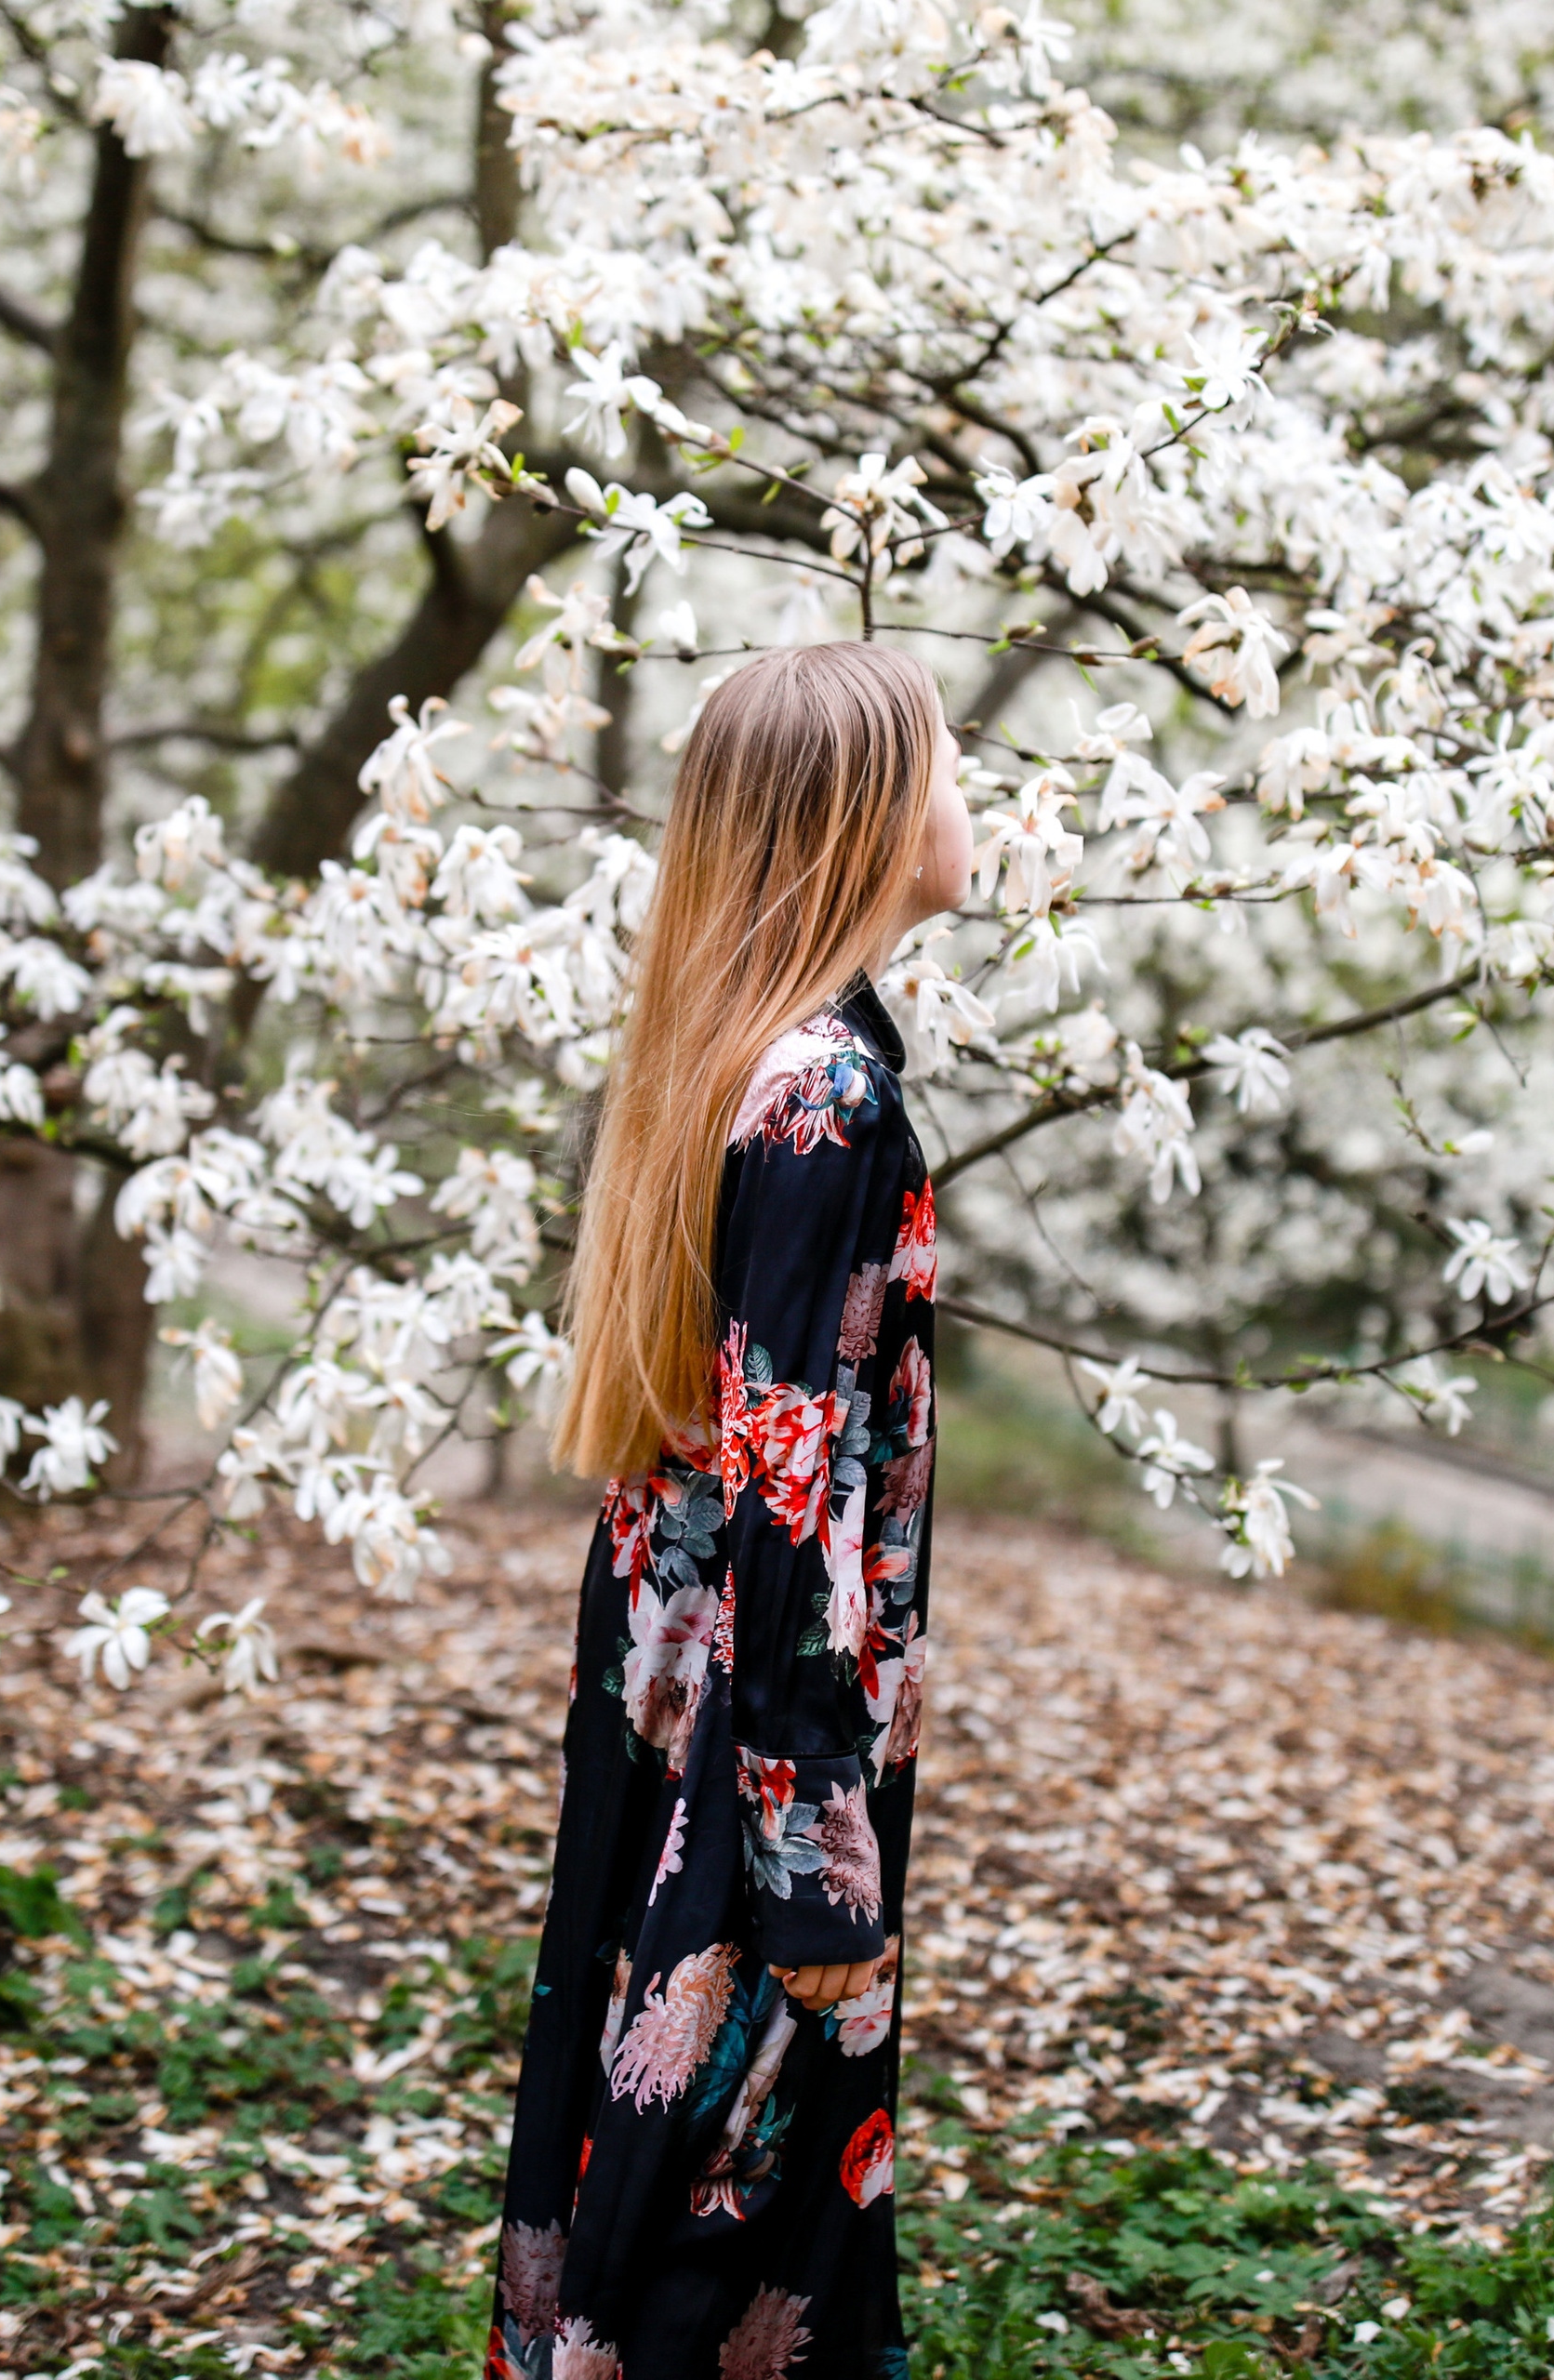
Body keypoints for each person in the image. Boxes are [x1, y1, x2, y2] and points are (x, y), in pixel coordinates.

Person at [490, 641, 976, 2379]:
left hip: (681, 1713)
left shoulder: (741, 1062)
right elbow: (795, 1500)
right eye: (943, 763)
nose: (966, 797)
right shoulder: (827, 1102)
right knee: (734, 2209)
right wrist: (811, 1871)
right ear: (864, 818)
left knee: (669, 2174)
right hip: (763, 1771)